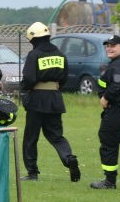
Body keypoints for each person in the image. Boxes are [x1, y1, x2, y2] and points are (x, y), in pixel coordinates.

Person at [19, 22, 80, 182]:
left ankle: (32, 173)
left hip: (37, 99)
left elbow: (29, 79)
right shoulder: (60, 54)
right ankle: (68, 158)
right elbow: (65, 79)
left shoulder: (34, 55)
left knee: (31, 138)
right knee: (56, 136)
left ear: (33, 38)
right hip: (55, 99)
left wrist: (24, 92)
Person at [89, 35, 120, 189]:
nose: (109, 48)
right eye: (108, 46)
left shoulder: (119, 65)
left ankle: (109, 182)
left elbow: (118, 85)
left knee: (108, 143)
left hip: (117, 111)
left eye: (113, 45)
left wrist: (105, 98)